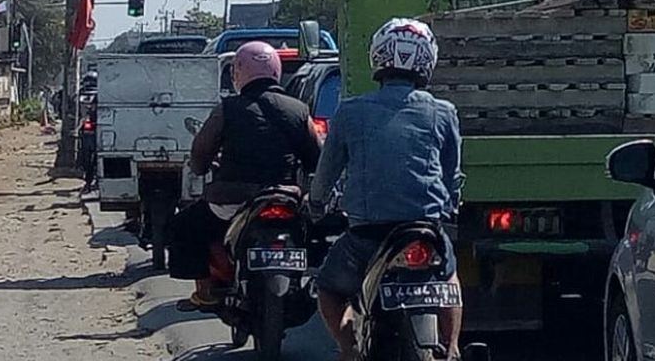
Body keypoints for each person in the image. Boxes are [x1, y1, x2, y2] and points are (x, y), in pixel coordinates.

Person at [309, 18, 463, 361]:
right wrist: (450, 203)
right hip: (425, 230)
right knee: (448, 281)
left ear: (378, 58)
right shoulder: (444, 112)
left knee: (329, 290)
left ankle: (348, 348)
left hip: (367, 236)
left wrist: (316, 205)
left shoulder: (349, 111)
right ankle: (451, 349)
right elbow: (452, 174)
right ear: (428, 60)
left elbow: (327, 171)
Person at [167, 41, 322, 311]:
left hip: (231, 201)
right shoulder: (299, 110)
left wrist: (200, 167)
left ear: (238, 73)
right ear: (275, 70)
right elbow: (316, 159)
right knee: (321, 233)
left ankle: (205, 291)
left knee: (183, 227)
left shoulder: (227, 109)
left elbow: (201, 153)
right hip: (286, 197)